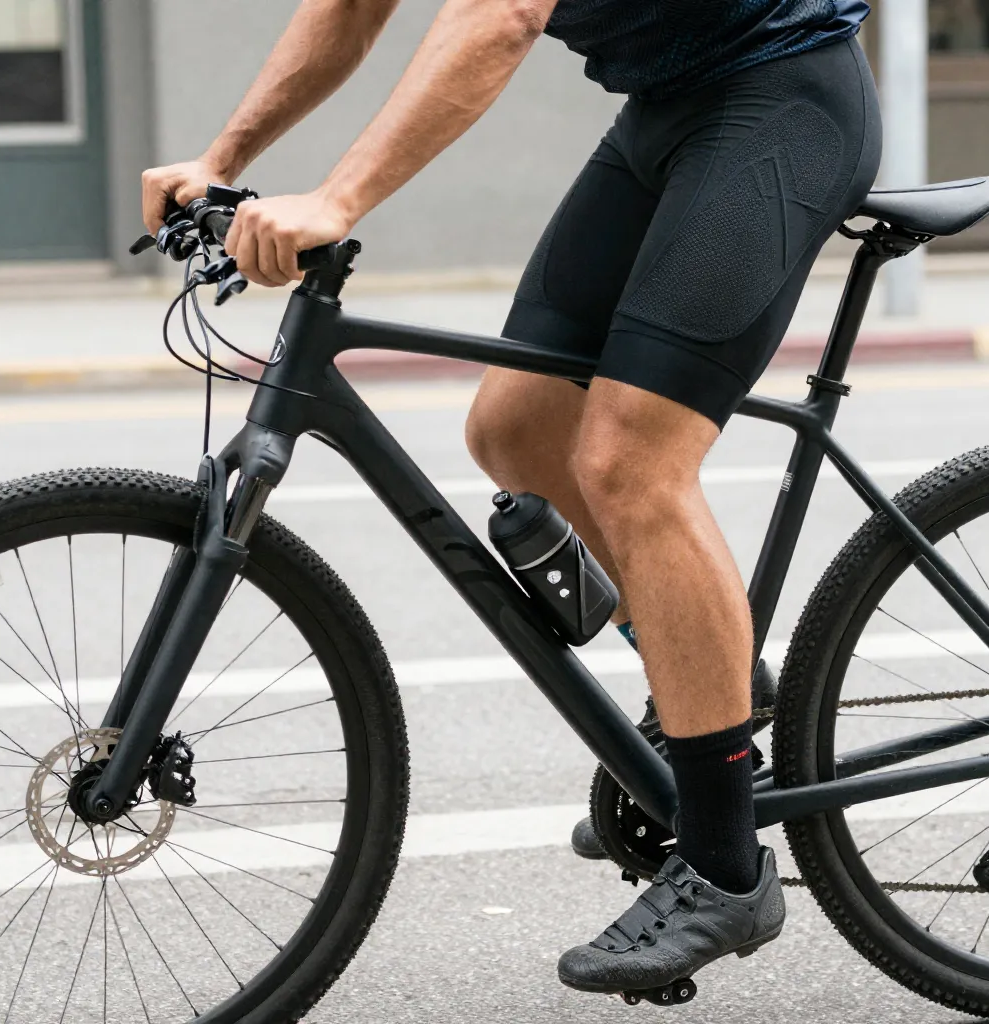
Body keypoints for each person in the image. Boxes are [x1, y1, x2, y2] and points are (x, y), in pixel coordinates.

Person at [142, 0, 881, 998]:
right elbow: (350, 8)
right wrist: (224, 156)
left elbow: (499, 19)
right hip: (667, 108)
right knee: (515, 428)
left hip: (780, 97)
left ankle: (724, 864)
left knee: (631, 460)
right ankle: (716, 689)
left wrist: (340, 198)